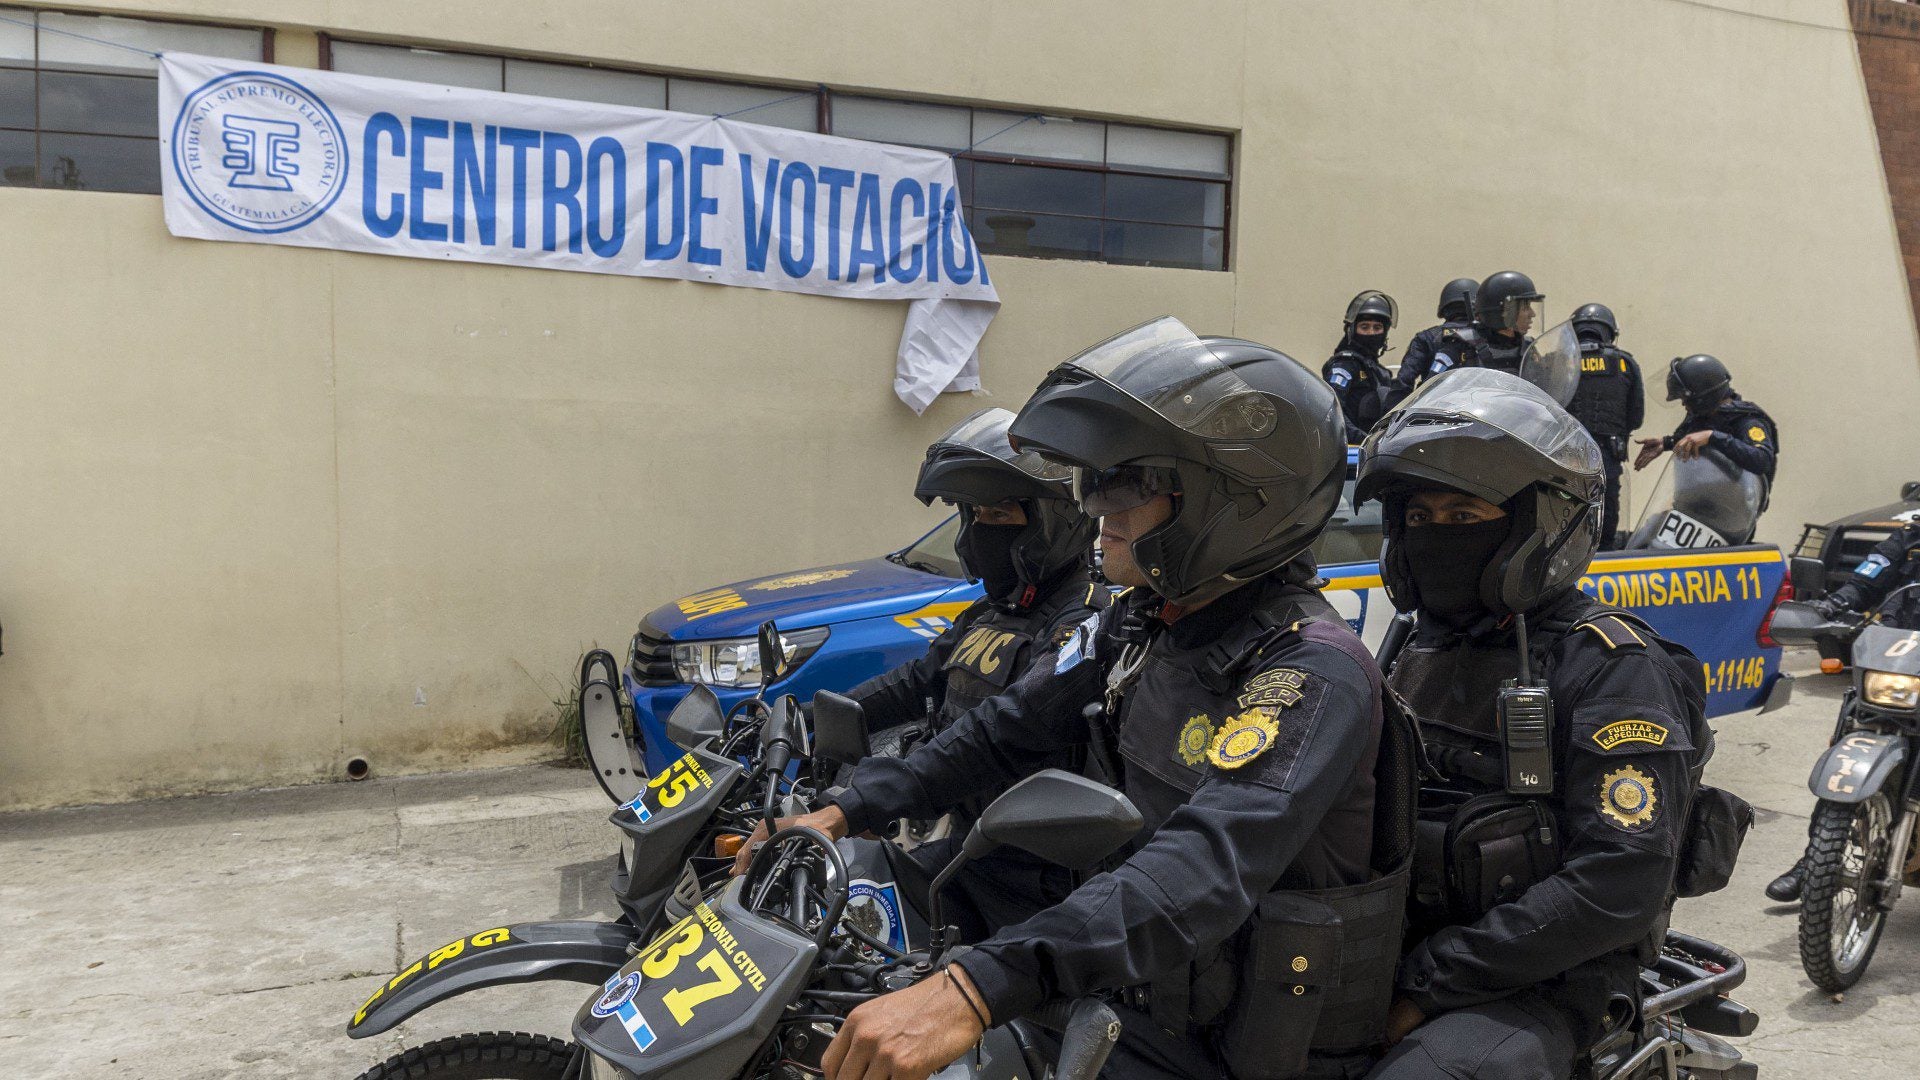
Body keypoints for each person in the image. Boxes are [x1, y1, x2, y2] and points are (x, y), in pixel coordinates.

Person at [739, 316, 1404, 1080]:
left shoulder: (1310, 672)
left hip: (1231, 1041)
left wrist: (978, 987)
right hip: (1134, 982)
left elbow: (1204, 863)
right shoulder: (1142, 624)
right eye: (1095, 481)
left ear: (1236, 502)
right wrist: (846, 809)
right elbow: (1004, 727)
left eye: (1128, 482)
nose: (1097, 508)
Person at [1354, 368, 1712, 1080]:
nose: (1434, 538)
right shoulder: (1415, 643)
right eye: (1419, 520)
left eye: (1462, 518)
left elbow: (1618, 881)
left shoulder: (1609, 663)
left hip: (1540, 981)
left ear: (1540, 527)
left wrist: (1430, 984)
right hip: (1394, 950)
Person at [843, 406, 1106, 915]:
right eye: (977, 516)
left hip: (1037, 884)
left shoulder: (1086, 620)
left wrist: (868, 799)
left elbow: (1010, 722)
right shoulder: (993, 612)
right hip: (967, 851)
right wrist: (808, 716)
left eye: (1001, 515)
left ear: (1055, 522)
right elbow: (916, 681)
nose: (983, 531)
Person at [1764, 518, 1920, 902]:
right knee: (1852, 730)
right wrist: (1835, 603)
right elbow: (1870, 575)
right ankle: (1818, 861)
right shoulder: (1911, 537)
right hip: (1902, 666)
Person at [1632, 355, 1778, 519]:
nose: (1683, 404)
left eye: (1685, 399)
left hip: (1728, 523)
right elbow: (1690, 436)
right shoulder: (1704, 416)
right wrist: (1666, 443)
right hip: (1692, 510)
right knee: (1651, 530)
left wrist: (1713, 437)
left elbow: (1762, 459)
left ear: (1702, 398)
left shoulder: (1748, 421)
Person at [1565, 303, 1644, 547]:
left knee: (1567, 509)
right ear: (1610, 331)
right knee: (1606, 515)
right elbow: (1636, 418)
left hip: (1566, 453)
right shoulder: (1624, 363)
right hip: (1608, 452)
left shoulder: (1560, 362)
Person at [1384, 277, 1477, 410]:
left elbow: (1403, 382)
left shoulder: (1427, 338)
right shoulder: (1487, 338)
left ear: (1444, 308)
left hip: (1433, 415)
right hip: (1481, 415)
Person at [1323, 290, 1399, 443]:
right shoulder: (1344, 366)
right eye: (1364, 327)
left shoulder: (1379, 372)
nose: (1371, 333)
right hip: (1350, 452)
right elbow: (1332, 410)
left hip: (1375, 451)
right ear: (1352, 329)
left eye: (1377, 328)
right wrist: (1365, 441)